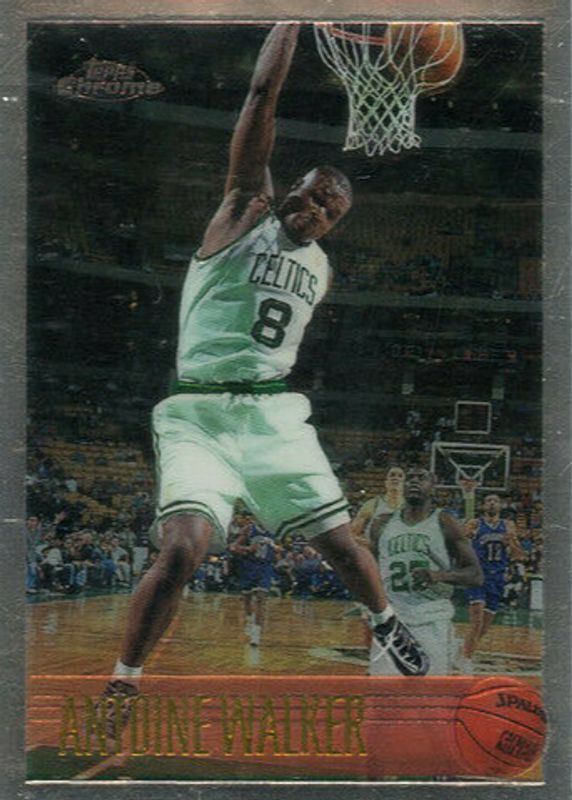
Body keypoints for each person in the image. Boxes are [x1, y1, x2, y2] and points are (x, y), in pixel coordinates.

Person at [100, 23, 430, 731]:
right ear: (292, 188)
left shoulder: (321, 266)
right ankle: (125, 681)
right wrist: (290, 19)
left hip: (274, 415)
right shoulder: (244, 210)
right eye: (311, 196)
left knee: (342, 545)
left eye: (330, 211)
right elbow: (260, 97)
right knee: (184, 548)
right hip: (198, 413)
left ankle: (386, 622)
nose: (315, 211)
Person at [362, 466, 483, 675]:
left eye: (421, 478)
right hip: (392, 620)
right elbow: (371, 570)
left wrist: (438, 575)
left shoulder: (445, 522)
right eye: (410, 478)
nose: (414, 481)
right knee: (383, 691)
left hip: (432, 619)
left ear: (433, 487)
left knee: (428, 690)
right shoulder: (381, 523)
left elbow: (476, 575)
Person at [462, 493, 524, 668]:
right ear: (483, 505)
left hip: (497, 578)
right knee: (477, 617)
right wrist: (467, 536)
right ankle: (465, 660)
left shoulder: (508, 526)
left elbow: (520, 556)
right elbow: (459, 544)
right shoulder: (475, 523)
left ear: (500, 505)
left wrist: (511, 543)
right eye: (488, 500)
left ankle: (465, 650)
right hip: (478, 575)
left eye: (495, 501)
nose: (491, 503)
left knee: (484, 626)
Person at [229, 514, 276, 646]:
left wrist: (276, 549)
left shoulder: (274, 530)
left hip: (265, 568)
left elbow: (277, 547)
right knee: (247, 599)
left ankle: (256, 633)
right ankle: (250, 620)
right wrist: (247, 549)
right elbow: (233, 547)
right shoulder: (249, 529)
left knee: (261, 598)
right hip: (249, 567)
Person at [351, 464, 405, 539]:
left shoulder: (411, 507)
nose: (396, 478)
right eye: (392, 475)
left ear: (405, 483)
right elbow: (353, 534)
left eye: (400, 476)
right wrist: (367, 543)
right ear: (386, 482)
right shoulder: (372, 504)